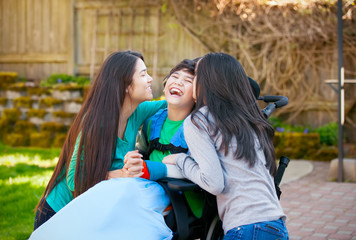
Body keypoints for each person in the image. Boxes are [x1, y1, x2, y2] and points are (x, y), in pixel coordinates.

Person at [33, 50, 167, 230]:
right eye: (143, 74)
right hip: (59, 213)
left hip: (87, 210)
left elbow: (174, 103)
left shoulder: (137, 112)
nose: (150, 78)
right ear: (126, 84)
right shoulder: (96, 122)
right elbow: (74, 180)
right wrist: (120, 174)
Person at [163, 52, 289, 239]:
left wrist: (181, 159)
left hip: (244, 228)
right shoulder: (247, 120)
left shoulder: (199, 120)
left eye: (196, 75)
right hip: (276, 225)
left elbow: (213, 183)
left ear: (209, 81)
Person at [129, 58, 205, 218]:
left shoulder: (199, 127)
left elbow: (202, 172)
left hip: (185, 207)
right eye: (175, 77)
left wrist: (148, 169)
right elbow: (141, 156)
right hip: (150, 194)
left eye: (187, 81)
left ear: (197, 93)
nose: (178, 82)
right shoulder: (152, 123)